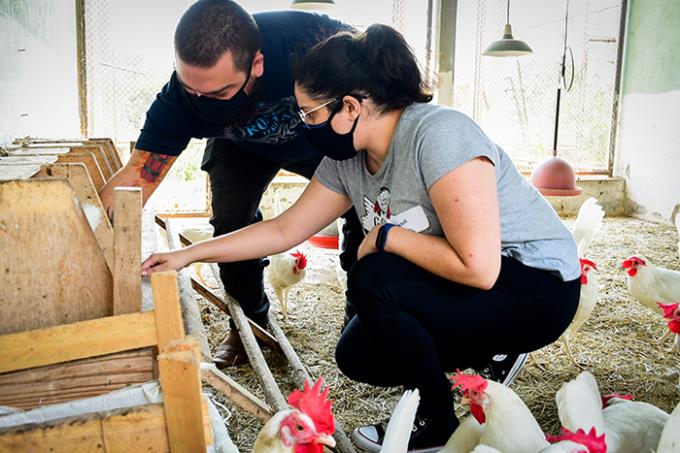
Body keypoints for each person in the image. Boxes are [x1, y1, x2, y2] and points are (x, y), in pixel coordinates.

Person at [142, 24, 581, 452]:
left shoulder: (439, 136)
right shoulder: (347, 158)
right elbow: (283, 229)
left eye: (310, 113)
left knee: (373, 276)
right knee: (358, 353)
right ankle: (484, 352)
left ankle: (438, 421)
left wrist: (387, 236)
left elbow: (479, 267)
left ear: (349, 106)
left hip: (537, 286)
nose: (303, 125)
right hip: (477, 284)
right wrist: (189, 255)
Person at [98, 0, 363, 367]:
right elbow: (135, 180)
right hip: (240, 148)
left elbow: (377, 74)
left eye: (218, 93)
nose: (200, 101)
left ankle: (362, 319)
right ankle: (250, 328)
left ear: (257, 63)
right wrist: (86, 233)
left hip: (318, 139)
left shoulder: (310, 40)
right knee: (230, 217)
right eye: (191, 88)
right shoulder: (179, 100)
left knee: (365, 210)